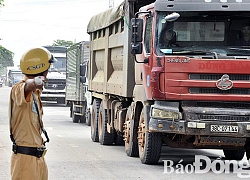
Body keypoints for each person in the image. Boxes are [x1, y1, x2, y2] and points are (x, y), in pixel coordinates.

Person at [9, 47, 56, 180]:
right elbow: (27, 86)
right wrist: (35, 82)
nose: (49, 71)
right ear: (40, 68)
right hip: (25, 161)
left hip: (38, 158)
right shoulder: (19, 89)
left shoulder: (35, 94)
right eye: (48, 67)